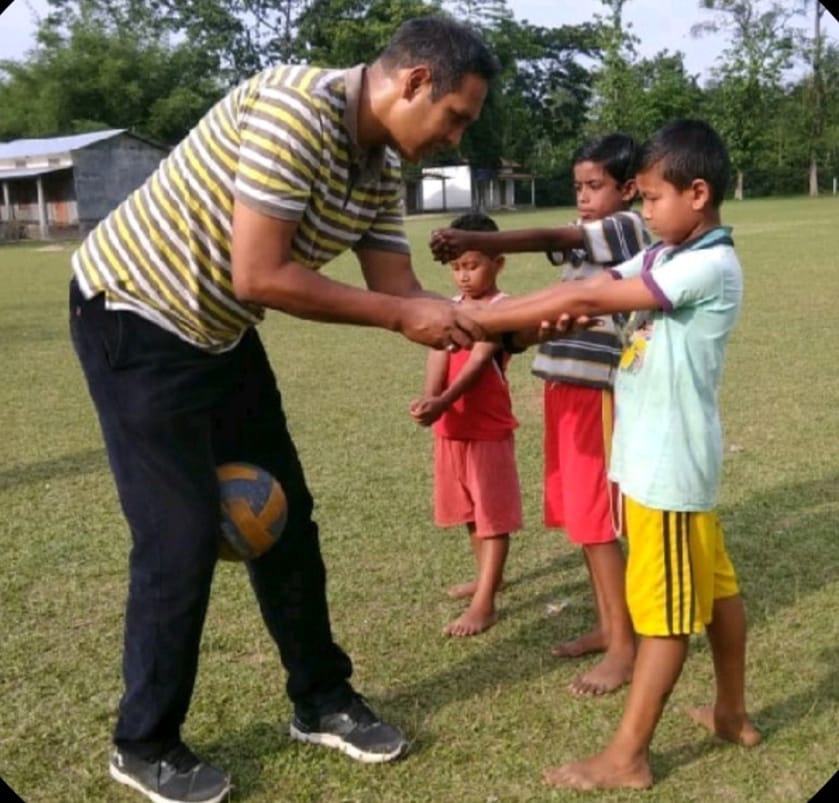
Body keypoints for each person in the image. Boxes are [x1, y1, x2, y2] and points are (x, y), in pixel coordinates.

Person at [69, 16, 499, 803]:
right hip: (132, 312)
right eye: (455, 117)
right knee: (180, 536)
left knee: (286, 519)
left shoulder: (376, 167)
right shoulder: (294, 112)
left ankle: (321, 697)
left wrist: (503, 321)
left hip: (218, 332)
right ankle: (145, 741)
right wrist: (404, 317)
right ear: (411, 83)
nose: (455, 136)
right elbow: (261, 275)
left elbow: (400, 291)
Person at [466, 119, 761, 790]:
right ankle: (730, 713)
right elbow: (590, 291)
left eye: (651, 198)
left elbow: (588, 294)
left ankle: (627, 754)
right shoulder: (663, 254)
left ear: (696, 192)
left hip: (668, 471)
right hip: (656, 459)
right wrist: (545, 315)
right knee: (716, 590)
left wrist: (476, 318)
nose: (643, 209)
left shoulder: (706, 264)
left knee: (663, 620)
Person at [430, 133, 649, 694]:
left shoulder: (627, 228)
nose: (583, 197)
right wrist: (514, 337)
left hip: (594, 393)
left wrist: (476, 236)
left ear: (627, 189)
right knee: (581, 518)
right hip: (563, 387)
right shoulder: (588, 248)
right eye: (577, 186)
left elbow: (555, 234)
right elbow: (556, 308)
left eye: (594, 186)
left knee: (598, 521)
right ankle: (607, 627)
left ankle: (625, 647)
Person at [410, 212, 522, 638]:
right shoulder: (449, 309)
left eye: (472, 265)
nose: (463, 276)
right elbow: (438, 351)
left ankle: (486, 602)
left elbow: (478, 362)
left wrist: (442, 401)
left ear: (498, 263)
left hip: (486, 425)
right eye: (456, 267)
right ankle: (486, 578)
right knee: (472, 513)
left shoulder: (502, 308)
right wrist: (428, 396)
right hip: (451, 426)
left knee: (493, 514)